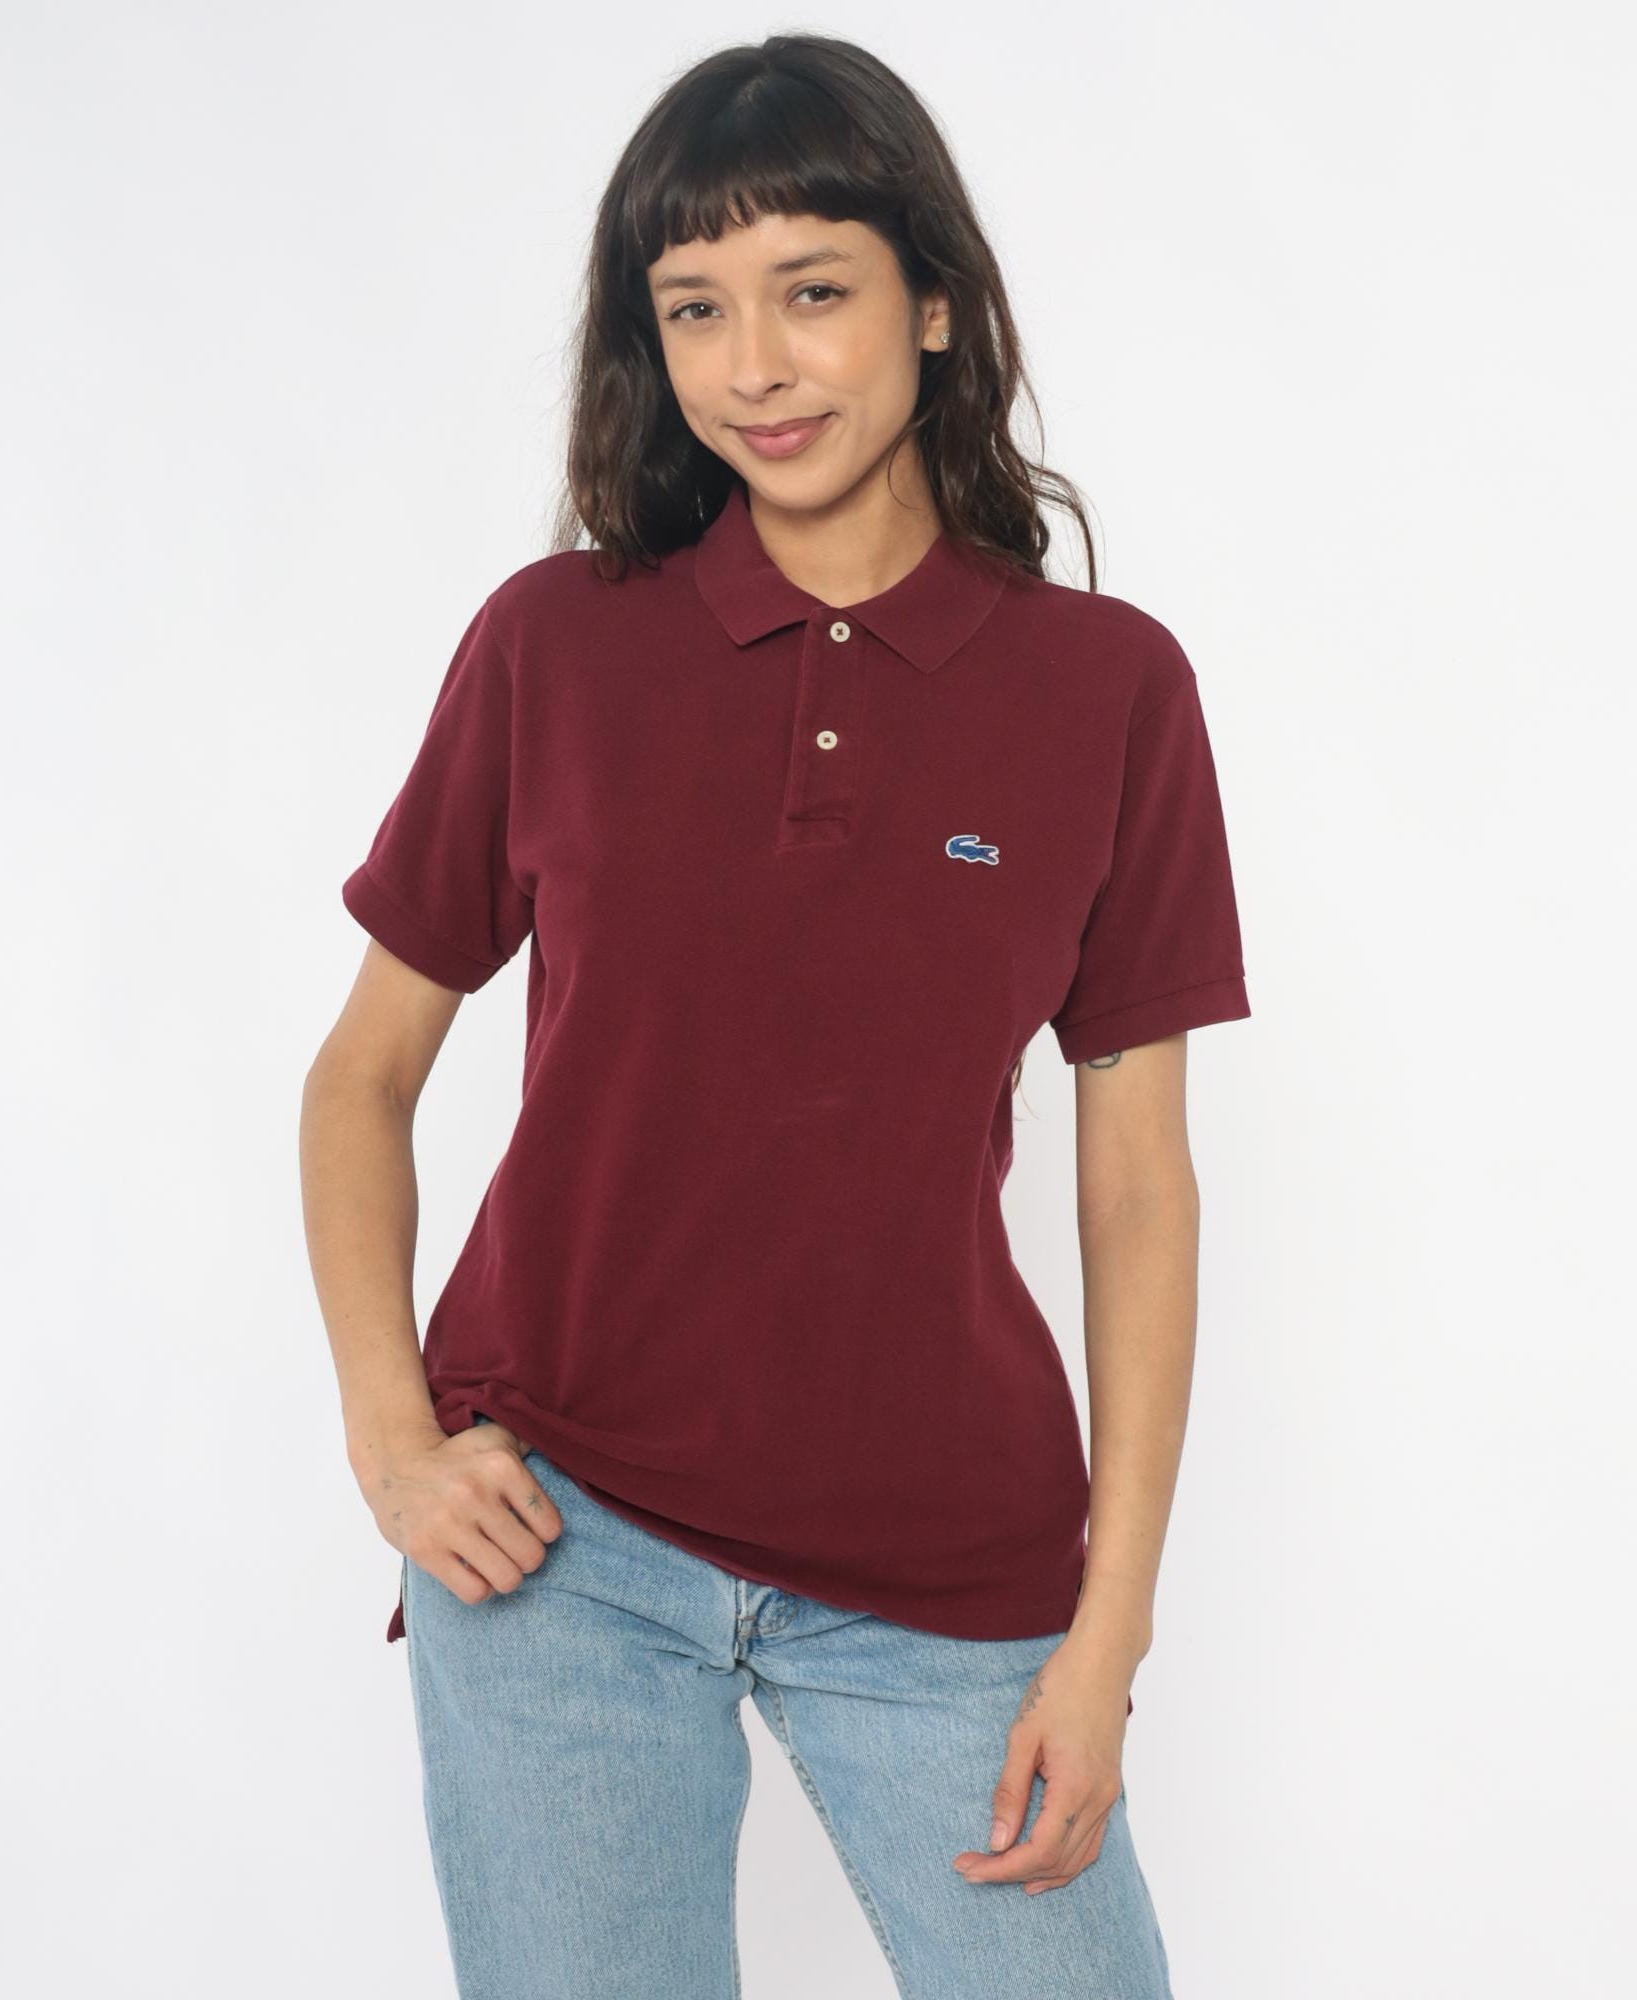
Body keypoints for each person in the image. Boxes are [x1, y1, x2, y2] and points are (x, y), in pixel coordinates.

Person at [299, 33, 1250, 2000]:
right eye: (695, 310)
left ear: (932, 300)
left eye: (811, 290)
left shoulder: (1109, 691)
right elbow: (362, 1077)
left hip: (949, 1563)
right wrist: (396, 1440)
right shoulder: (555, 647)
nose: (755, 366)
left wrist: (1109, 1633)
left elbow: (1137, 1188)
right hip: (558, 1545)